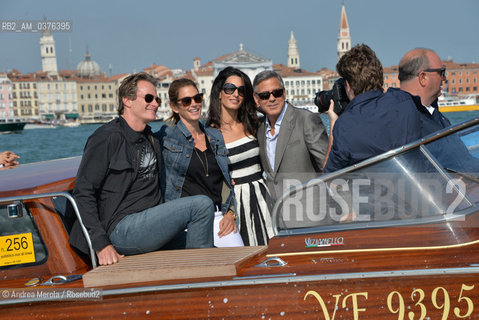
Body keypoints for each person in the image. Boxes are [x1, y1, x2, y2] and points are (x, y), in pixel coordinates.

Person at [70, 72, 215, 266]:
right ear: (127, 101)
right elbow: (83, 192)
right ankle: (202, 278)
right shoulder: (106, 138)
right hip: (121, 228)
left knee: (212, 251)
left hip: (150, 226)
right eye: (149, 98)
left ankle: (200, 283)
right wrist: (101, 244)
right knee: (201, 205)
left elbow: (189, 142)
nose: (155, 103)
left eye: (157, 98)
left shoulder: (152, 138)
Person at [156, 78, 242, 247]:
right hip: (186, 222)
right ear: (174, 106)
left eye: (198, 98)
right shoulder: (166, 137)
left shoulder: (215, 136)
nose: (194, 104)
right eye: (187, 101)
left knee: (239, 266)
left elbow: (225, 180)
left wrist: (230, 213)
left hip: (219, 218)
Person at [324, 44, 424, 173]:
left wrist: (334, 122)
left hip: (370, 192)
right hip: (415, 186)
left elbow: (330, 178)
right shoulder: (404, 101)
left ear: (348, 85)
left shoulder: (344, 125)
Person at [207, 67, 274, 246]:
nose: (236, 94)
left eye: (241, 90)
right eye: (230, 88)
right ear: (219, 93)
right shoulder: (209, 134)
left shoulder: (254, 123)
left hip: (264, 196)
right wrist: (228, 212)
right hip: (233, 204)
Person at [253, 70, 329, 201]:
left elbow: (328, 167)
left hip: (310, 214)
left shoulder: (305, 119)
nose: (272, 99)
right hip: (275, 215)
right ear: (257, 99)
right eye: (265, 95)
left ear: (284, 93)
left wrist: (348, 206)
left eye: (277, 93)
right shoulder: (258, 128)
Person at [398, 48, 451, 133]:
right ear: (423, 77)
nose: (444, 78)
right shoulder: (404, 121)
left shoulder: (434, 114)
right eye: (441, 72)